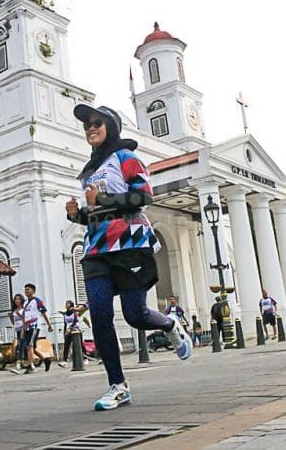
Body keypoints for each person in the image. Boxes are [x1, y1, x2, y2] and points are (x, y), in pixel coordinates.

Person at [66, 104, 192, 411]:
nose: (90, 129)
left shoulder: (126, 158)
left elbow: (143, 196)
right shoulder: (90, 170)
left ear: (111, 126)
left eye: (96, 123)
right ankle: (118, 385)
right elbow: (98, 212)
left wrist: (103, 198)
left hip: (130, 245)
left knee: (135, 315)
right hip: (97, 249)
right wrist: (78, 215)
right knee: (99, 315)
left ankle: (170, 324)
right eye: (86, 126)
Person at [22, 283, 54, 373]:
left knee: (29, 345)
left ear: (33, 291)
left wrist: (49, 325)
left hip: (34, 326)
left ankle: (31, 366)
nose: (26, 291)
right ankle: (45, 359)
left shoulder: (37, 301)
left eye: (28, 289)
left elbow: (43, 313)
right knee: (31, 347)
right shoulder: (25, 303)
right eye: (25, 289)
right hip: (27, 327)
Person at [58, 300, 88, 368]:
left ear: (71, 305)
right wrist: (65, 331)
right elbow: (65, 323)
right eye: (66, 304)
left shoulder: (74, 312)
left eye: (68, 304)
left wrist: (70, 328)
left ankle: (85, 358)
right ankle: (64, 361)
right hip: (68, 331)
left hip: (76, 330)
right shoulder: (65, 314)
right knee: (66, 345)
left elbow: (75, 321)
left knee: (80, 344)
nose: (66, 305)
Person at [8, 293, 26, 374]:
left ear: (22, 300)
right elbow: (14, 322)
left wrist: (23, 330)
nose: (17, 300)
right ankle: (43, 359)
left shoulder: (24, 309)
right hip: (18, 330)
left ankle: (18, 365)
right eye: (15, 299)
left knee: (21, 346)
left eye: (18, 299)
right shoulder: (15, 311)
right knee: (27, 347)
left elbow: (25, 320)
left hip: (24, 329)